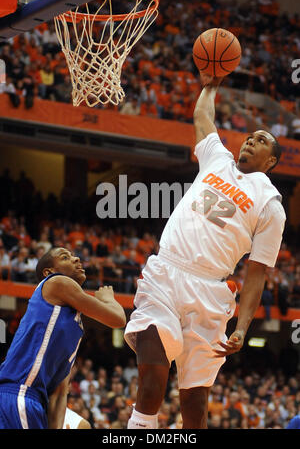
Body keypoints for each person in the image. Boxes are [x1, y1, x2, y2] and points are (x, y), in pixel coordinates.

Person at [124, 73, 286, 429]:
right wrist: (211, 85)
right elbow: (202, 118)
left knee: (194, 406)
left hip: (211, 290)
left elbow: (256, 274)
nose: (250, 142)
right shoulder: (218, 158)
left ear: (271, 161)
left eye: (260, 141)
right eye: (249, 137)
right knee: (152, 377)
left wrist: (242, 327)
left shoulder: (271, 206)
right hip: (166, 273)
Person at [0, 247, 126, 429]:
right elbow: (118, 319)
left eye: (74, 255)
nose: (76, 259)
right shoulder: (56, 283)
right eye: (65, 257)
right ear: (49, 272)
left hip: (34, 402)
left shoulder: (73, 326)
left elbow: (59, 393)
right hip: (17, 394)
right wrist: (108, 299)